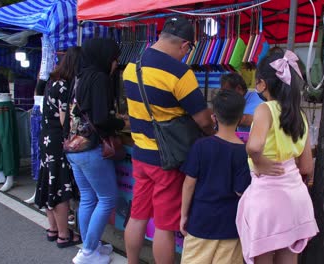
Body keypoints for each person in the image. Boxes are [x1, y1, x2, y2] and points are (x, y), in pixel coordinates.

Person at [122, 16, 215, 264]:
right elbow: (204, 121)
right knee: (164, 226)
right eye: (187, 51)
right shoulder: (179, 73)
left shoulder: (132, 66)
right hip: (168, 160)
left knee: (138, 215)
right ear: (184, 45)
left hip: (140, 156)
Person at [236, 50, 319, 264]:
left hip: (268, 200)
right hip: (296, 199)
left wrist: (260, 162)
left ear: (262, 84)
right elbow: (306, 166)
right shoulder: (300, 115)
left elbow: (254, 146)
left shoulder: (265, 109)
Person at [65, 38, 126, 264]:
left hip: (73, 148)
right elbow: (101, 118)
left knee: (89, 198)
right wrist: (120, 123)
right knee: (107, 198)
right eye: (114, 59)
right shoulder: (99, 78)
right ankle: (88, 252)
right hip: (91, 149)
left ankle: (91, 245)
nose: (115, 64)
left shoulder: (79, 77)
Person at [179, 89, 251, 264]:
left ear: (214, 117)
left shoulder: (200, 146)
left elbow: (189, 184)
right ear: (241, 119)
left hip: (201, 221)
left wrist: (183, 215)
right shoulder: (243, 152)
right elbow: (241, 192)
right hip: (230, 226)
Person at [34, 47, 81, 248]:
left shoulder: (52, 82)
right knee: (60, 186)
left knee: (48, 182)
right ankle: (63, 234)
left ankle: (53, 229)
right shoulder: (63, 86)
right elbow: (64, 120)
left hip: (46, 140)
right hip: (56, 142)